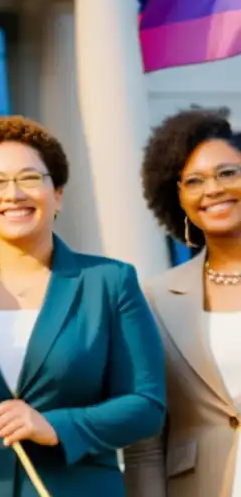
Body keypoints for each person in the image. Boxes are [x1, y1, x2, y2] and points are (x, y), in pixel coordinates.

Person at [0, 115, 165, 496]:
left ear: (57, 193)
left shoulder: (110, 282)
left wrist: (57, 425)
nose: (14, 194)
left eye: (29, 178)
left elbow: (146, 405)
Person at [124, 107, 241, 497]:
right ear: (178, 198)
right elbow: (145, 446)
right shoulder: (154, 300)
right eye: (194, 181)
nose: (212, 189)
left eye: (227, 173)